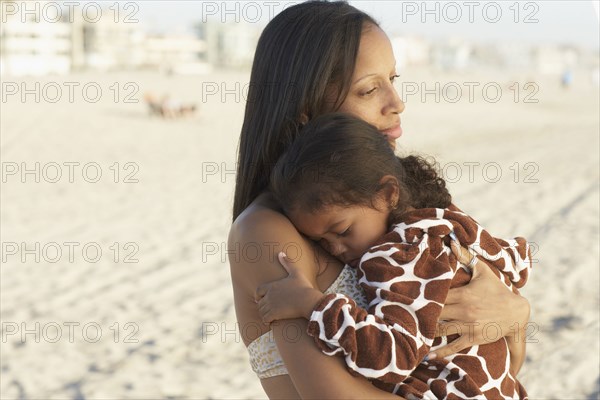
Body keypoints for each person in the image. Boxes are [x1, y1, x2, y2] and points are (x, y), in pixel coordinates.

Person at [228, 1, 530, 398]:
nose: (396, 102)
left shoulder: (392, 203)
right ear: (305, 108)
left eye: (393, 78)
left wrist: (517, 314)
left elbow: (493, 365)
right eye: (370, 89)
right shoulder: (265, 230)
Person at [256, 113, 531, 399]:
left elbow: (392, 357)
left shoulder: (396, 255)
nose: (336, 248)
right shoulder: (444, 222)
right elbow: (517, 262)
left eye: (342, 230)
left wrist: (311, 304)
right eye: (321, 242)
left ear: (388, 194)